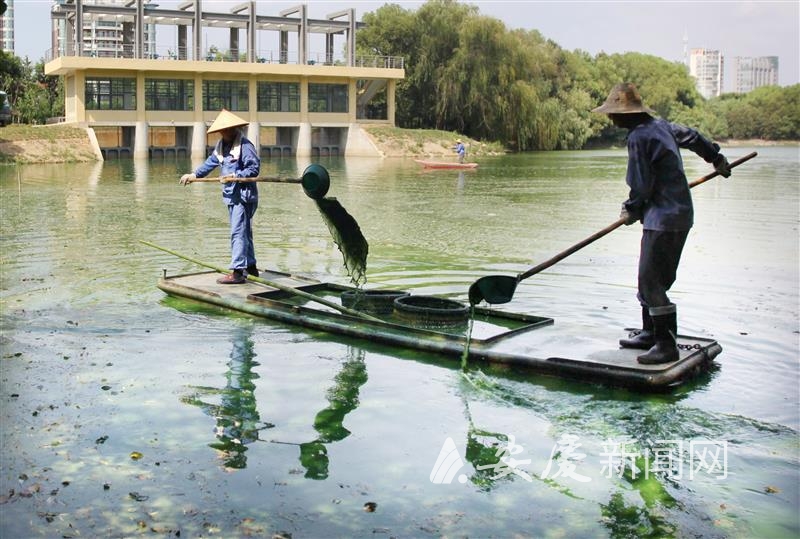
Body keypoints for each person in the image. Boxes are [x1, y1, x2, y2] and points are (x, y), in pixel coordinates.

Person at [591, 83, 731, 364]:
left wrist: (631, 208)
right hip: (677, 213)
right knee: (651, 277)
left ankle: (666, 345)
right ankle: (650, 332)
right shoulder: (662, 126)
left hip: (664, 218)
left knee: (651, 282)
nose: (611, 118)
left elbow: (641, 183)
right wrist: (715, 157)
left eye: (614, 113)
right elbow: (693, 137)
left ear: (627, 114)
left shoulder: (638, 137)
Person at [180, 109, 261, 284]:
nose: (225, 132)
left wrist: (235, 176)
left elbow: (253, 169)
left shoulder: (245, 146)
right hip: (231, 196)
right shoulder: (221, 147)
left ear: (234, 129)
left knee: (238, 232)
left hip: (244, 197)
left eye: (228, 129)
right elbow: (211, 163)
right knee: (244, 231)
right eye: (223, 130)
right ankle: (252, 268)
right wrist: (194, 175)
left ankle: (238, 272)